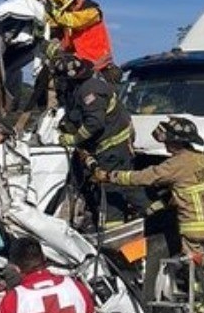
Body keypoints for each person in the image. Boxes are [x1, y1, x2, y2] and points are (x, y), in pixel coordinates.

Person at [94, 117, 204, 260]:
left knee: (192, 266)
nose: (165, 145)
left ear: (174, 142)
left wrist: (110, 176)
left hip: (193, 231)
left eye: (167, 142)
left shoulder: (176, 164)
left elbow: (144, 177)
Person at [56, 54, 145, 229]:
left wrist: (73, 139)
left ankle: (113, 237)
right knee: (128, 187)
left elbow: (94, 123)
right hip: (112, 148)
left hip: (112, 148)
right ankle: (158, 215)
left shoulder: (90, 91)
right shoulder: (82, 88)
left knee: (109, 192)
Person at [45, 0, 121, 84]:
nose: (69, 9)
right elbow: (54, 24)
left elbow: (73, 21)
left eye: (69, 6)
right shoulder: (68, 18)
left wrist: (53, 11)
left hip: (100, 69)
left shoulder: (92, 12)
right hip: (81, 69)